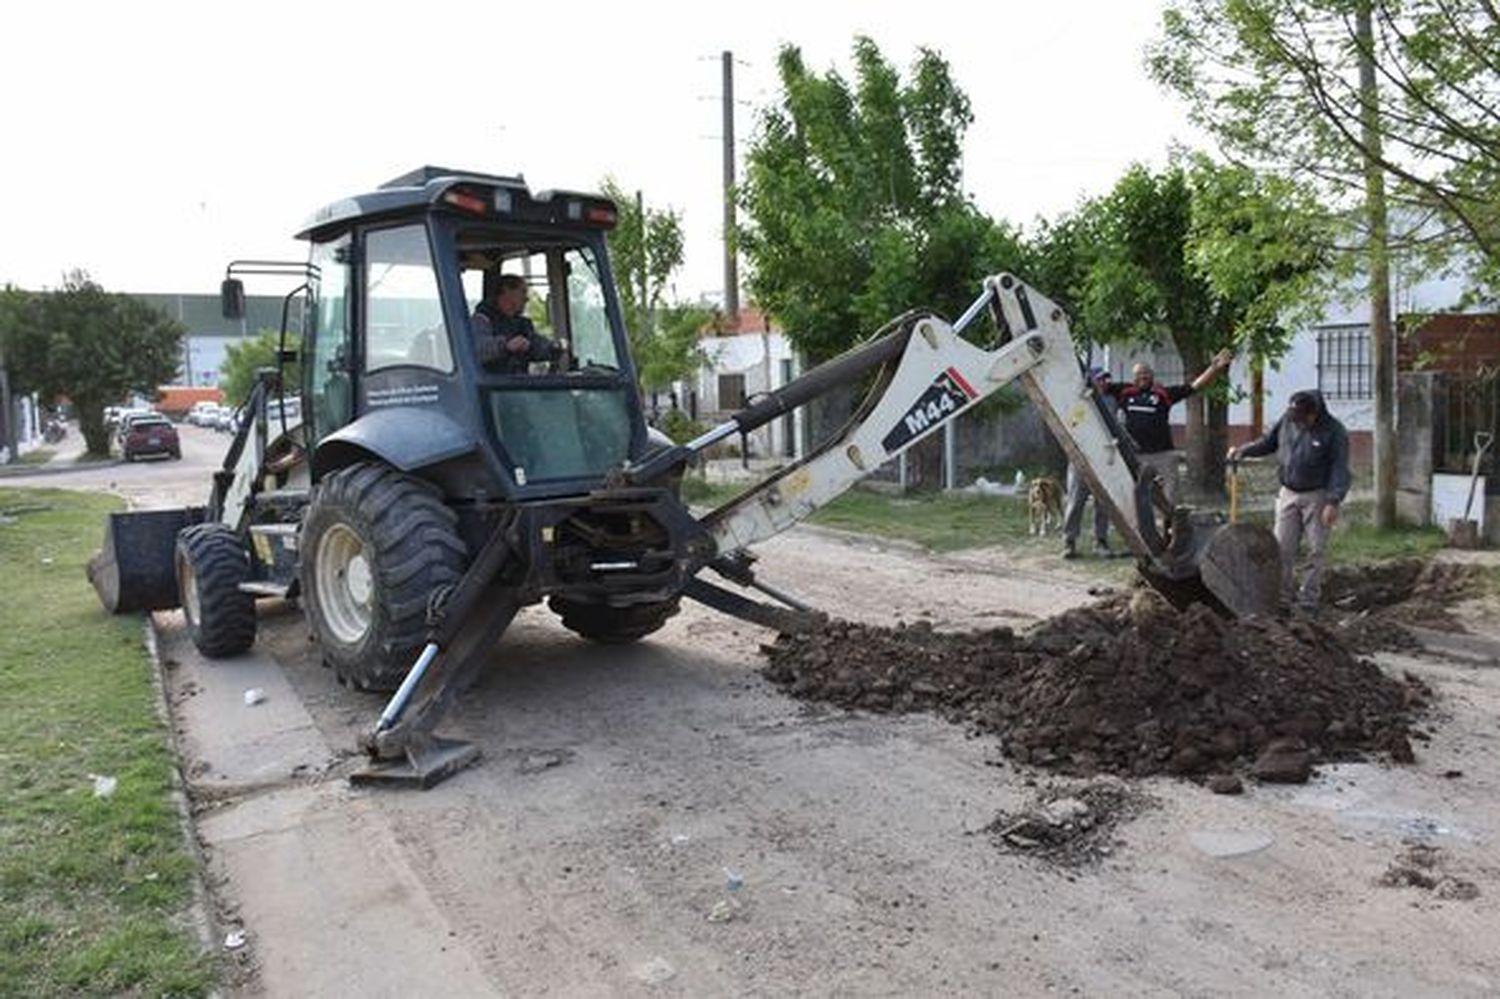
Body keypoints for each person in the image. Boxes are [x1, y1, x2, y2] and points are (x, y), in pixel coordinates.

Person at [1228, 389, 1351, 613]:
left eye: (1305, 419)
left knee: (1316, 550)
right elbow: (1268, 443)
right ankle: (1281, 597)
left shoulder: (1334, 431)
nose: (1300, 423)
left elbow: (1339, 468)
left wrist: (1333, 501)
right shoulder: (1288, 420)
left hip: (1318, 495)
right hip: (1288, 492)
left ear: (1315, 412)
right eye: (1297, 418)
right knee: (1281, 548)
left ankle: (1308, 601)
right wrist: (1243, 451)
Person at [1107, 348, 1234, 505]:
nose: (1143, 376)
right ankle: (1139, 526)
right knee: (1135, 493)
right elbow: (1098, 385)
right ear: (1134, 377)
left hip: (1163, 454)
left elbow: (1194, 387)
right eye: (1139, 373)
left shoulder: (1163, 393)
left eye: (1146, 373)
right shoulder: (1124, 391)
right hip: (1136, 455)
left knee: (1170, 494)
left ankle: (1170, 527)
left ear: (1152, 376)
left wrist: (1213, 368)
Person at [1063, 368, 1116, 559]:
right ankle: (1069, 541)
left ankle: (1100, 540)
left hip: (1104, 459)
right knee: (1076, 501)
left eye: (1104, 380)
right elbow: (1072, 427)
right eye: (1099, 380)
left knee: (1103, 503)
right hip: (1082, 459)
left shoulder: (1111, 401)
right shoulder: (1080, 403)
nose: (1103, 383)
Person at [472, 274, 563, 373]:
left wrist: (554, 348)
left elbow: (536, 344)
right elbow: (477, 350)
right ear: (507, 291)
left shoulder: (522, 324)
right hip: (490, 385)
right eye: (523, 292)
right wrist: (506, 346)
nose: (526, 299)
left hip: (518, 384)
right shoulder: (482, 320)